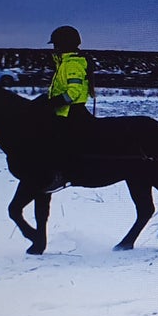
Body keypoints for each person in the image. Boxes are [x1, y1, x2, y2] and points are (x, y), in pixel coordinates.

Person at [42, 25, 96, 192]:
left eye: (56, 45)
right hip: (63, 111)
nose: (54, 49)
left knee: (58, 142)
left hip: (72, 112)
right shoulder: (64, 62)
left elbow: (73, 92)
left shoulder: (72, 64)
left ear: (64, 45)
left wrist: (53, 103)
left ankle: (62, 176)